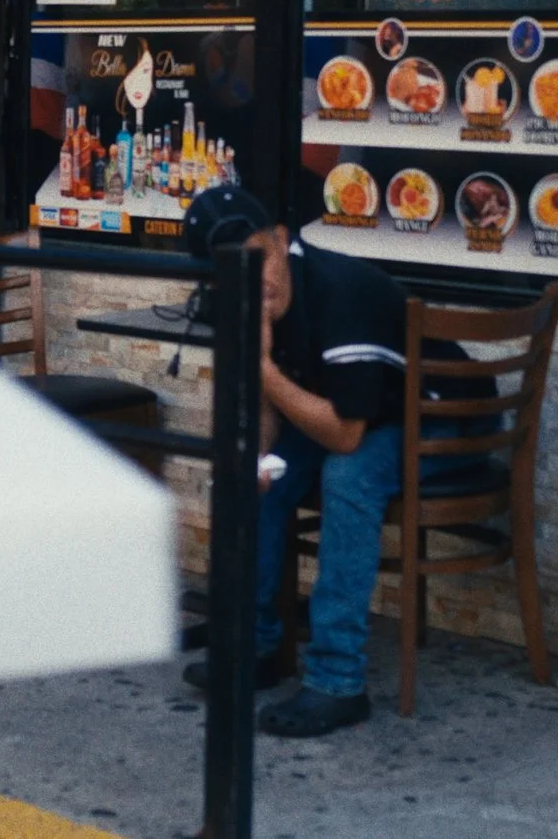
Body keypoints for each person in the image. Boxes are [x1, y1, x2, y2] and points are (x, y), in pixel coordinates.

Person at [176, 185, 492, 739]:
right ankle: (258, 647)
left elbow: (345, 437)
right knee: (255, 471)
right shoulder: (254, 302)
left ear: (280, 240)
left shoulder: (339, 293)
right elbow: (273, 416)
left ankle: (336, 682)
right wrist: (254, 460)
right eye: (236, 271)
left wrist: (263, 366)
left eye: (261, 258)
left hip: (442, 421)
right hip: (363, 413)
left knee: (347, 476)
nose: (258, 278)